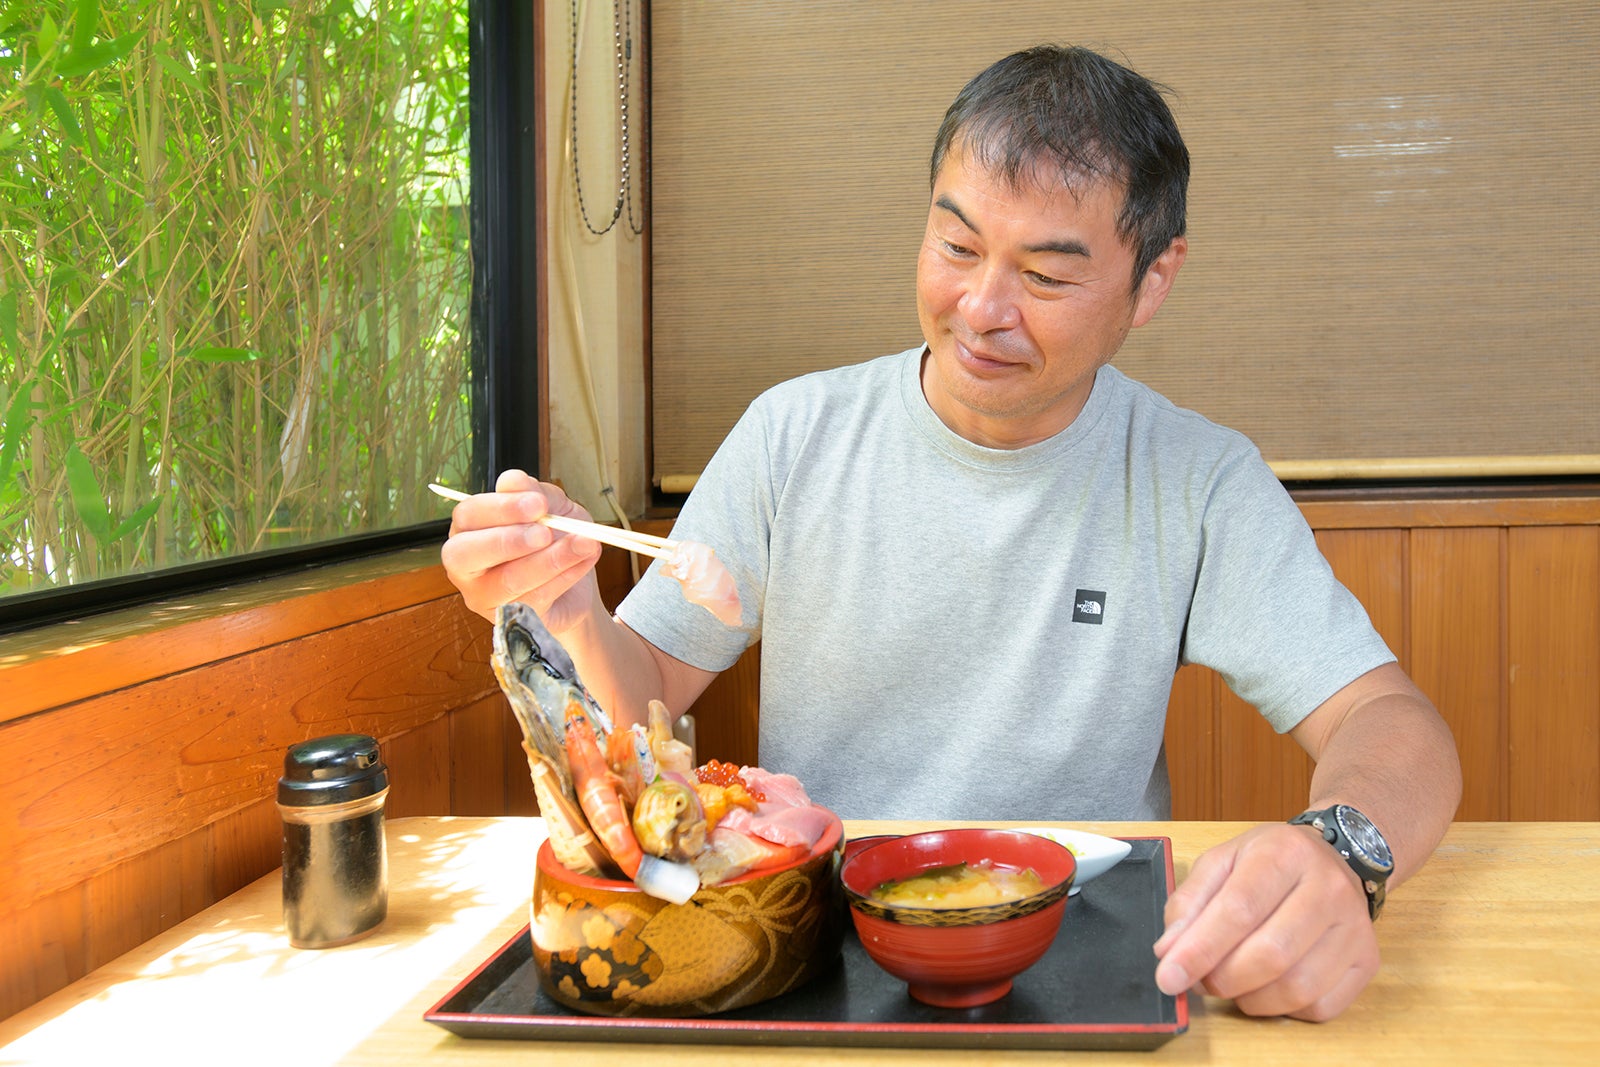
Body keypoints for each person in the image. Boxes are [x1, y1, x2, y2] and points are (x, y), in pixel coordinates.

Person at [441, 44, 1461, 1022]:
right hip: (814, 937)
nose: (982, 307)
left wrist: (1341, 854)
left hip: (1078, 944)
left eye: (1047, 276)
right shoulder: (795, 434)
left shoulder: (1193, 478)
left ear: (1151, 280)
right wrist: (569, 603)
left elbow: (1393, 725)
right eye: (956, 244)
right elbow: (644, 694)